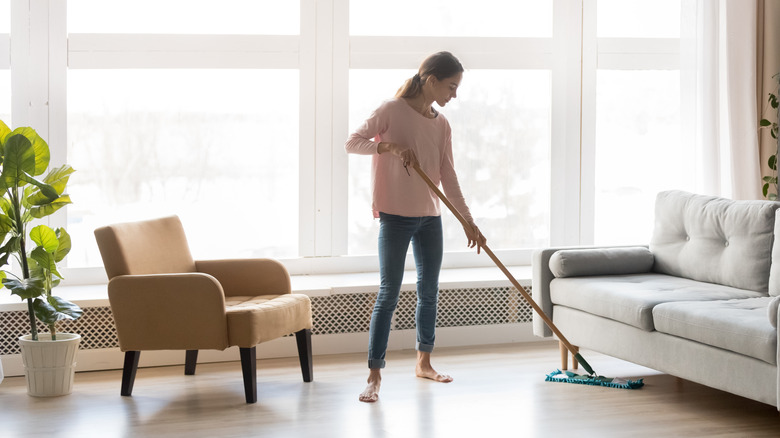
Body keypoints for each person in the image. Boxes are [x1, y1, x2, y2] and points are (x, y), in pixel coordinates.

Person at [345, 51, 486, 403]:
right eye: (451, 86)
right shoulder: (391, 110)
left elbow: (448, 176)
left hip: (430, 218)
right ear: (431, 79)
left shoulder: (442, 124)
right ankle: (374, 375)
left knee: (429, 292)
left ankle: (424, 362)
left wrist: (468, 221)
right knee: (388, 293)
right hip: (395, 216)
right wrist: (388, 146)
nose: (454, 94)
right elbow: (352, 142)